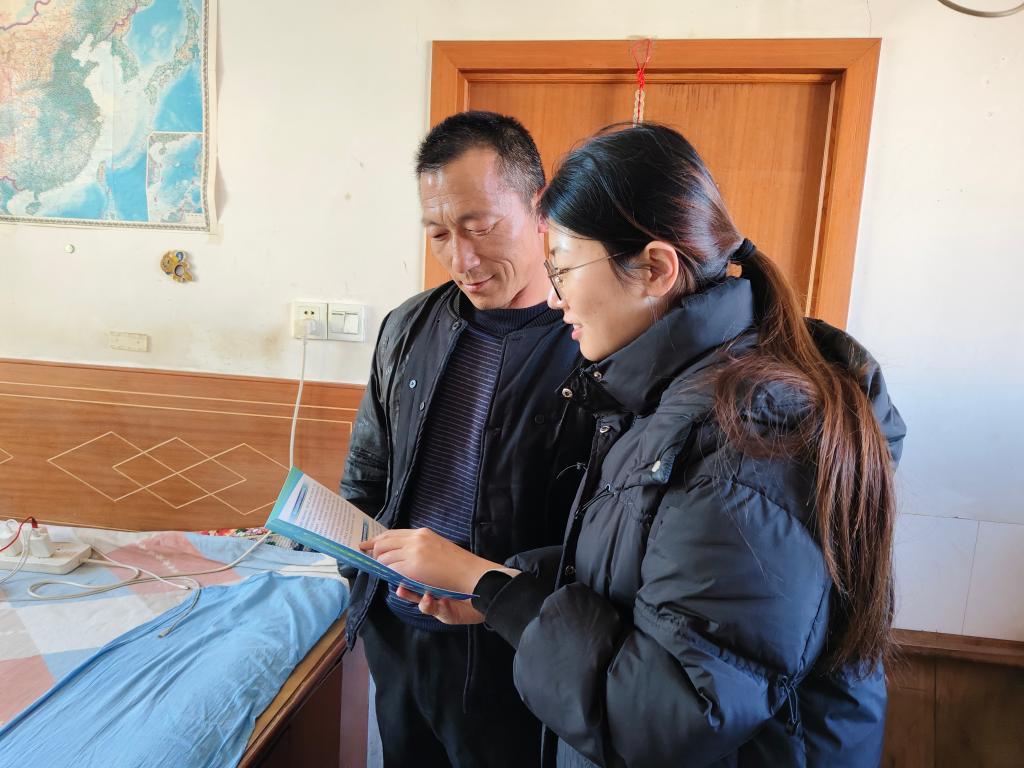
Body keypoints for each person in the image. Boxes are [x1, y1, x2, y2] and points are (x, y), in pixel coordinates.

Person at [361, 122, 907, 768]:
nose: (555, 297)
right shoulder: (672, 394)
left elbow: (666, 714)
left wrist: (491, 586)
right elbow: (636, 579)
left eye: (563, 268)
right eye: (438, 234)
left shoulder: (753, 437)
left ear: (654, 269)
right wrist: (498, 588)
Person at [340, 111, 594, 768]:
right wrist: (358, 567)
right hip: (402, 639)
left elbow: (604, 534)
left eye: (480, 228)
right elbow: (367, 473)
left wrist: (497, 593)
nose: (462, 258)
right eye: (438, 234)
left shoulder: (592, 343)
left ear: (540, 207)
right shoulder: (407, 327)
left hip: (520, 654)